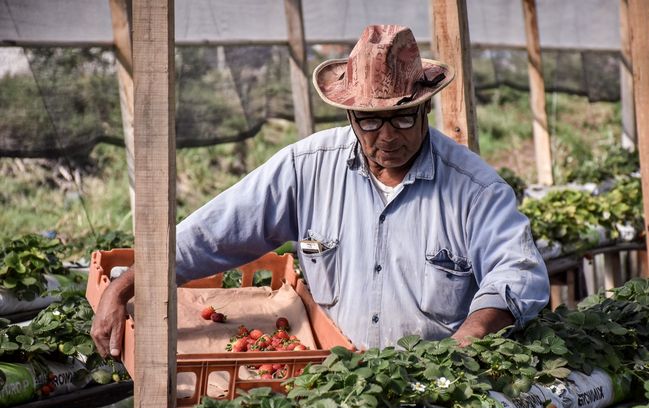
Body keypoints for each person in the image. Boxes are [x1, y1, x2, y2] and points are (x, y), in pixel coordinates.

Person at [91, 24, 549, 356]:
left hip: (438, 396)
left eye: (403, 118)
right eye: (370, 121)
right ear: (349, 116)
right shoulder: (305, 168)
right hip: (337, 383)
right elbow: (215, 233)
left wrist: (464, 343)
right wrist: (125, 284)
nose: (387, 137)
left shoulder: (474, 189)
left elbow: (517, 274)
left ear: (425, 109)